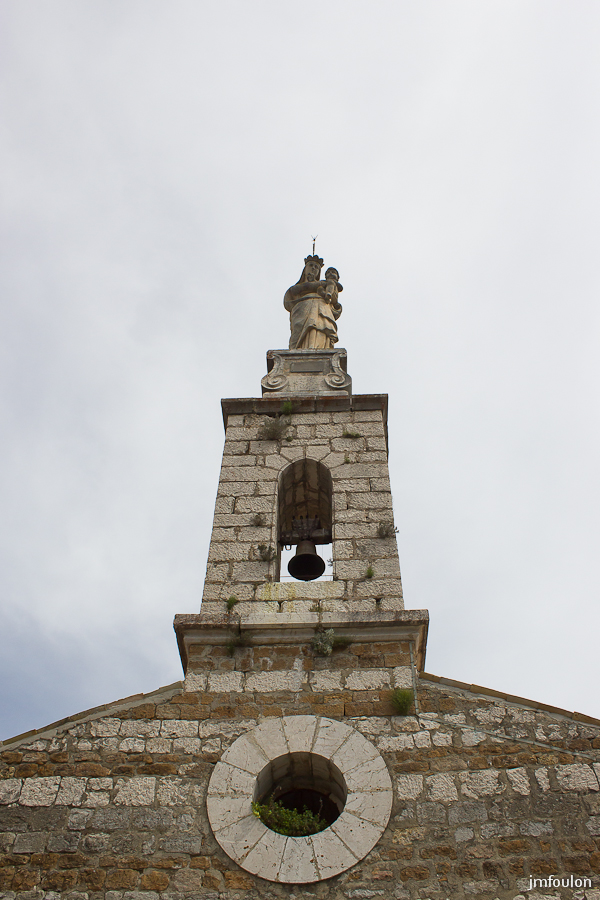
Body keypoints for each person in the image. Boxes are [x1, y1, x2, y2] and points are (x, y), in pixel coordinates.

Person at [283, 256, 343, 350]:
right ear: (305, 269)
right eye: (311, 265)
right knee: (300, 331)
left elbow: (334, 300)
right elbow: (294, 291)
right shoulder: (301, 286)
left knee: (320, 329)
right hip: (303, 307)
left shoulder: (324, 285)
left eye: (316, 267)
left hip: (322, 307)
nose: (313, 268)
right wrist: (316, 285)